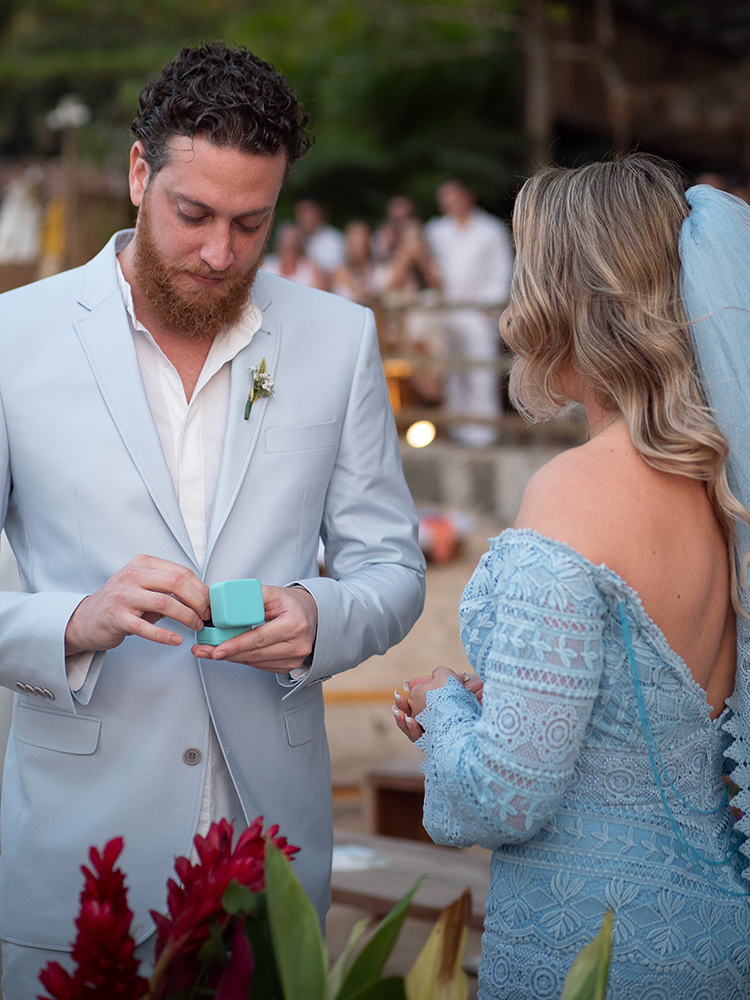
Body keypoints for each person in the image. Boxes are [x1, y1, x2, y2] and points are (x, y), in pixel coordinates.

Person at [0, 42, 425, 995]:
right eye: (193, 214)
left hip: (269, 862)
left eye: (251, 222)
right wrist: (71, 622)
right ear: (140, 173)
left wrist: (319, 618)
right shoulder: (10, 339)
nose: (219, 252)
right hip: (76, 859)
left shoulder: (339, 339)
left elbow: (393, 571)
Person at [394, 155, 750, 998]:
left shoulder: (573, 490)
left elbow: (506, 796)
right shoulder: (724, 485)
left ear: (568, 302)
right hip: (715, 930)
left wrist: (443, 704)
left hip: (595, 946)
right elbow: (645, 722)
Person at [425, 179, 513, 447]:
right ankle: (457, 428)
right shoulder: (436, 230)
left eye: (456, 197)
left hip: (478, 312)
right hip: (446, 311)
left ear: (468, 197)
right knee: (452, 371)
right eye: (446, 198)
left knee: (480, 370)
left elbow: (502, 270)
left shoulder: (490, 230)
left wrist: (490, 306)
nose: (451, 204)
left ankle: (484, 433)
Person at [293, 196, 345, 287]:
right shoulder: (297, 238)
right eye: (300, 212)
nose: (303, 217)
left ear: (319, 213)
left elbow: (336, 274)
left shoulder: (333, 240)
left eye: (307, 211)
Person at [262, 220, 327, 289]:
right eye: (286, 248)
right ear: (278, 247)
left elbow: (322, 293)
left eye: (294, 247)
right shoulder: (267, 266)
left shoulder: (312, 270)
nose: (290, 254)